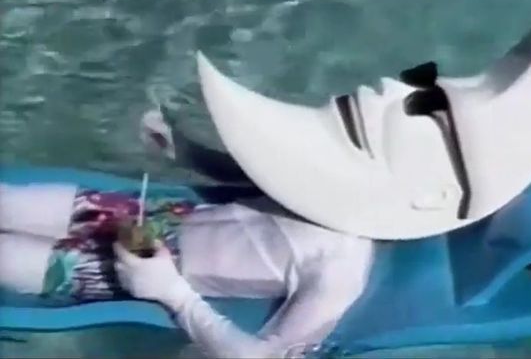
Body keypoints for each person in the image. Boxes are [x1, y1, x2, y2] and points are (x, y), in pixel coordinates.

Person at [0, 112, 375, 359]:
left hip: (137, 272)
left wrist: (172, 293)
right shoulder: (330, 184)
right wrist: (187, 152)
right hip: (148, 214)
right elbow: (251, 174)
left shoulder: (340, 270)